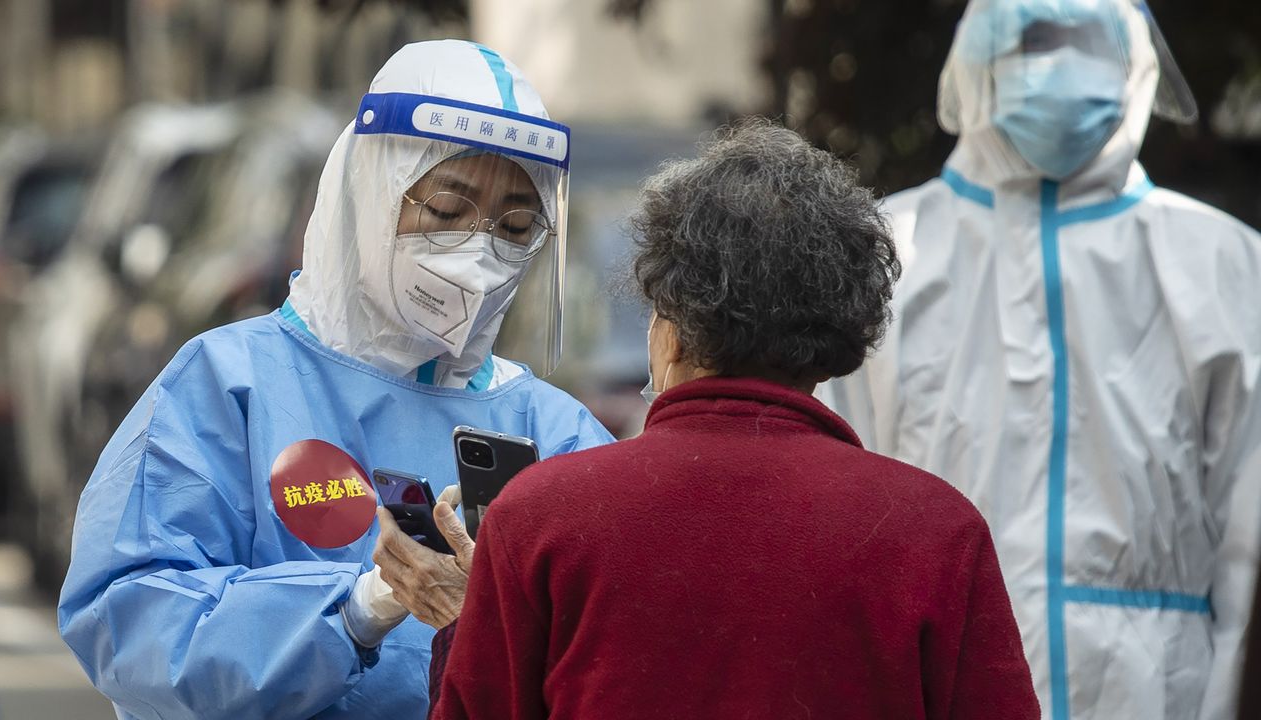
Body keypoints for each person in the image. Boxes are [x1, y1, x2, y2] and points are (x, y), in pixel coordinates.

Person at [375, 120, 1040, 719]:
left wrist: (466, 628)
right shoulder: (937, 532)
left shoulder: (539, 519)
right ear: (839, 340)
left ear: (668, 325)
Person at [57, 39, 612, 720]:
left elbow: (616, 664)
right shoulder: (228, 386)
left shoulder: (555, 434)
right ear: (370, 193)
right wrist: (359, 606)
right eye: (445, 212)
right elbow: (128, 625)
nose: (478, 250)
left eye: (516, 225)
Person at [818, 1, 1261, 718]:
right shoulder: (880, 254)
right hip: (925, 680)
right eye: (1032, 39)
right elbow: (829, 508)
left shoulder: (1224, 267)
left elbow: (1249, 542)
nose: (1057, 65)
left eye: (1084, 40)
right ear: (974, 61)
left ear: (1135, 63)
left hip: (1154, 693)